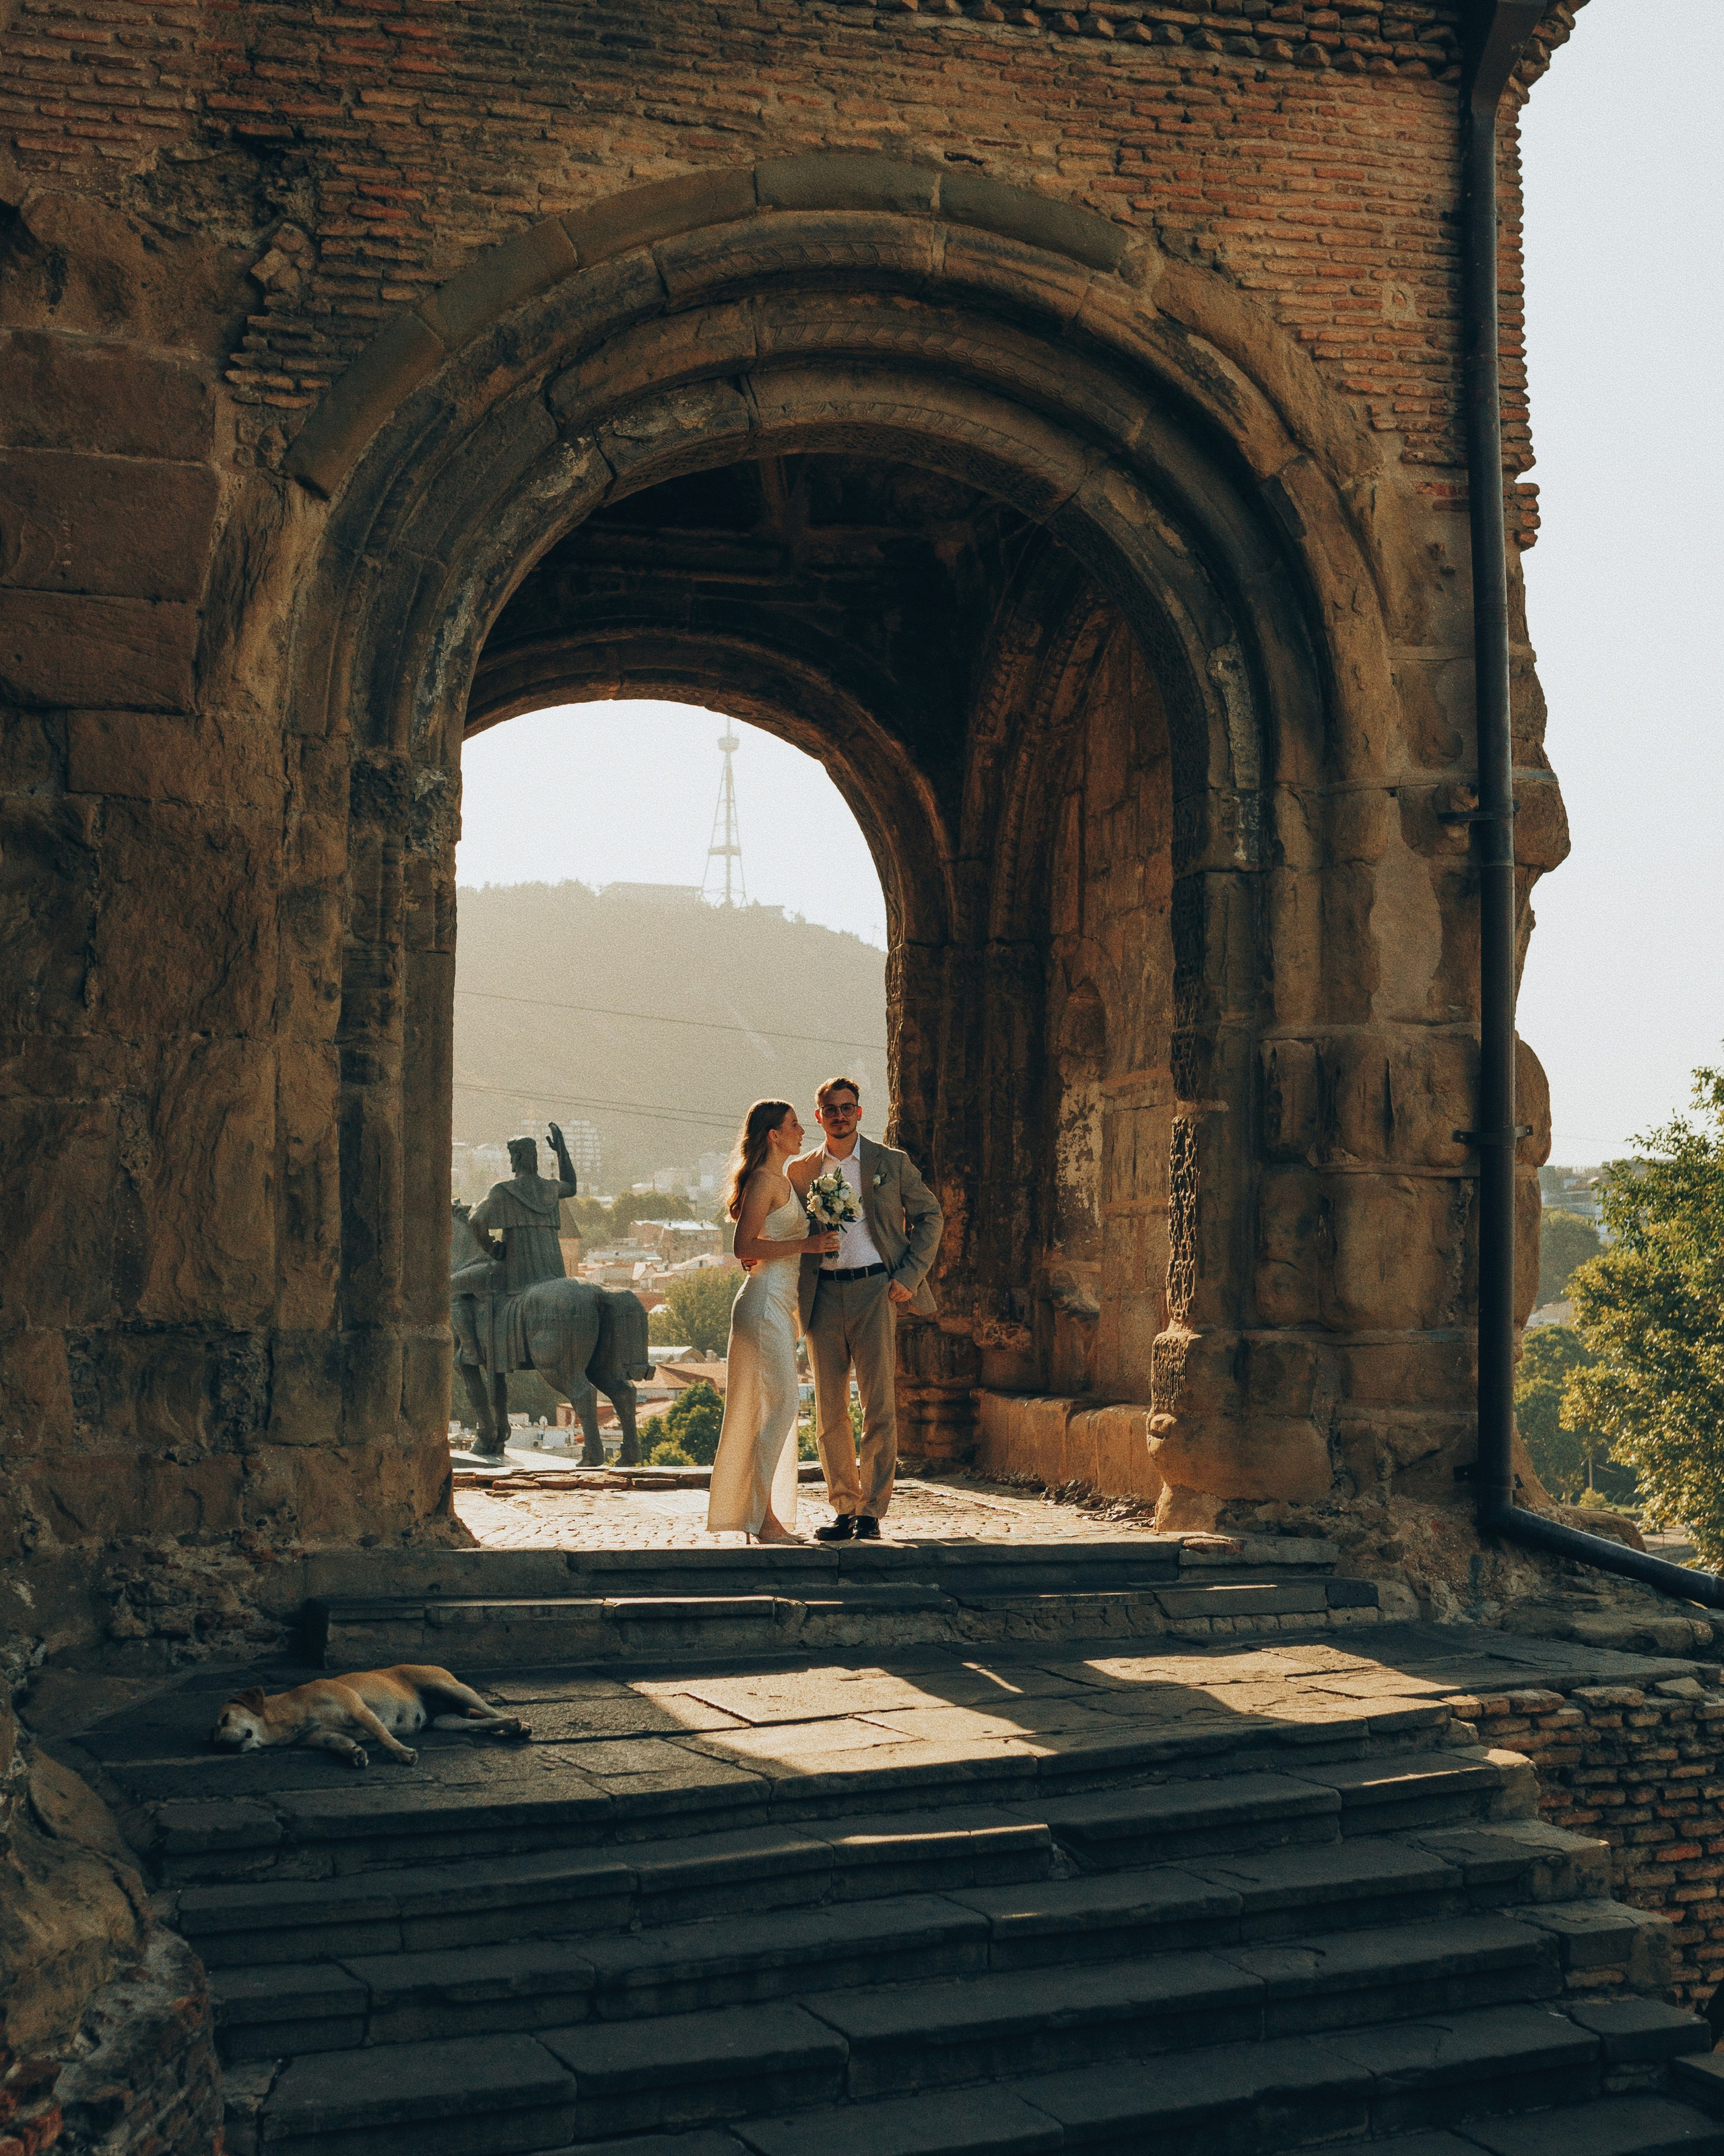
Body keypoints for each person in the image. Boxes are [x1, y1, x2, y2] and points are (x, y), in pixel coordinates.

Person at [790, 1078, 943, 1541]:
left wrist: (909, 1275)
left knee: (878, 1405)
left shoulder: (890, 1163)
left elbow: (930, 1216)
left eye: (847, 1107)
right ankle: (844, 1507)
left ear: (859, 1112)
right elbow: (786, 1227)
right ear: (818, 1116)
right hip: (821, 1294)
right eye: (831, 1109)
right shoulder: (801, 1171)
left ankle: (872, 1511)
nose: (839, 1115)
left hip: (876, 1290)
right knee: (829, 1409)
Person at [706, 1100, 841, 1544]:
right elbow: (743, 1245)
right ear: (773, 1135)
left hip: (778, 1306)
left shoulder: (780, 1180)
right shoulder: (764, 1181)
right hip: (763, 1305)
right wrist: (808, 1245)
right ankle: (761, 1520)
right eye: (794, 1125)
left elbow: (761, 1244)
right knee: (781, 1406)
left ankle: (760, 1517)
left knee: (770, 1408)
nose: (802, 1131)